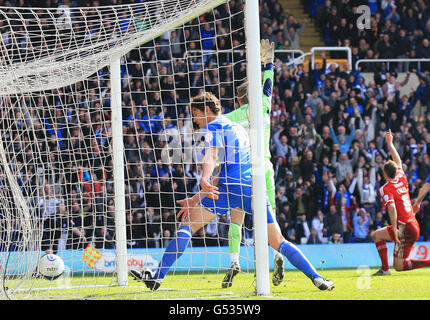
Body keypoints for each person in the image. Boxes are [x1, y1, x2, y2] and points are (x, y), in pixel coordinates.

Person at [130, 92, 334, 292]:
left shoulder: (213, 126)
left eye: (196, 113)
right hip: (252, 188)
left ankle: (158, 277)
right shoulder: (238, 128)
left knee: (187, 226)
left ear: (207, 110)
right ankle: (317, 278)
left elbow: (211, 156)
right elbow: (226, 167)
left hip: (228, 190)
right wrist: (196, 197)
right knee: (279, 242)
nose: (194, 119)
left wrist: (203, 179)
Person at [223, 39, 284, 288]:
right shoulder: (264, 107)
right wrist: (268, 63)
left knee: (236, 218)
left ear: (238, 100)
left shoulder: (231, 118)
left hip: (243, 172)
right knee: (270, 218)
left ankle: (234, 260)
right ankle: (278, 254)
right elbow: (268, 86)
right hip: (266, 168)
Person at [372, 130, 430, 276]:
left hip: (405, 228)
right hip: (410, 223)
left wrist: (396, 229)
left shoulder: (385, 188)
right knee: (377, 235)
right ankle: (385, 269)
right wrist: (390, 144)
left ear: (385, 174)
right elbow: (398, 161)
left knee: (400, 266)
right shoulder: (401, 175)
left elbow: (391, 208)